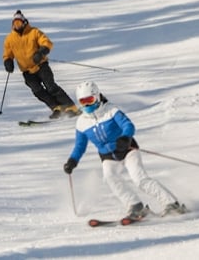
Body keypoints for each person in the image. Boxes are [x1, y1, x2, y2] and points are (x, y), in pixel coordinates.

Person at [62, 81, 189, 220]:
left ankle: (171, 203)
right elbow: (80, 146)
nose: (86, 105)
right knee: (110, 178)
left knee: (139, 179)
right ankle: (135, 206)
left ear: (97, 97)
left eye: (89, 100)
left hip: (127, 149)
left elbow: (128, 125)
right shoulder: (81, 122)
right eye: (82, 101)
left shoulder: (111, 110)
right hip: (108, 156)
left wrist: (125, 138)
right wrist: (72, 161)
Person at [3, 10, 79, 119]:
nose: (17, 26)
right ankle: (56, 107)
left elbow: (46, 42)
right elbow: (7, 53)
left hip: (41, 65)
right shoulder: (10, 39)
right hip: (27, 71)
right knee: (37, 91)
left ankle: (70, 107)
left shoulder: (34, 32)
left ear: (24, 22)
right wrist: (8, 61)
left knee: (51, 87)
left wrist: (41, 52)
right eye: (15, 24)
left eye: (19, 23)